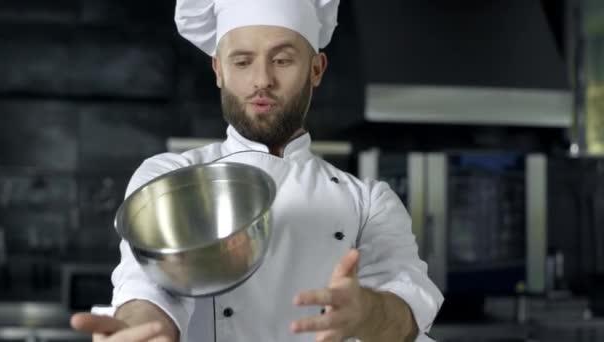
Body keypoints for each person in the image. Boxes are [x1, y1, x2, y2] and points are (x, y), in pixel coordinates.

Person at [70, 0, 444, 341]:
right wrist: (142, 328)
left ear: (316, 69)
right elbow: (146, 288)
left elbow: (407, 314)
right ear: (218, 70)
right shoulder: (169, 177)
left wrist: (368, 312)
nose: (261, 79)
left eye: (282, 60)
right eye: (242, 61)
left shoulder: (367, 203)